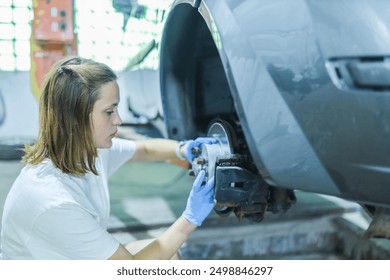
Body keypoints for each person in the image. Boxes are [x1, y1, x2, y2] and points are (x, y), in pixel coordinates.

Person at [0, 56, 217, 260]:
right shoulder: (53, 200)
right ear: (77, 118)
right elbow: (126, 270)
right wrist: (190, 217)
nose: (119, 119)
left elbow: (143, 150)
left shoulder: (86, 151)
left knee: (169, 256)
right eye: (109, 111)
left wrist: (185, 148)